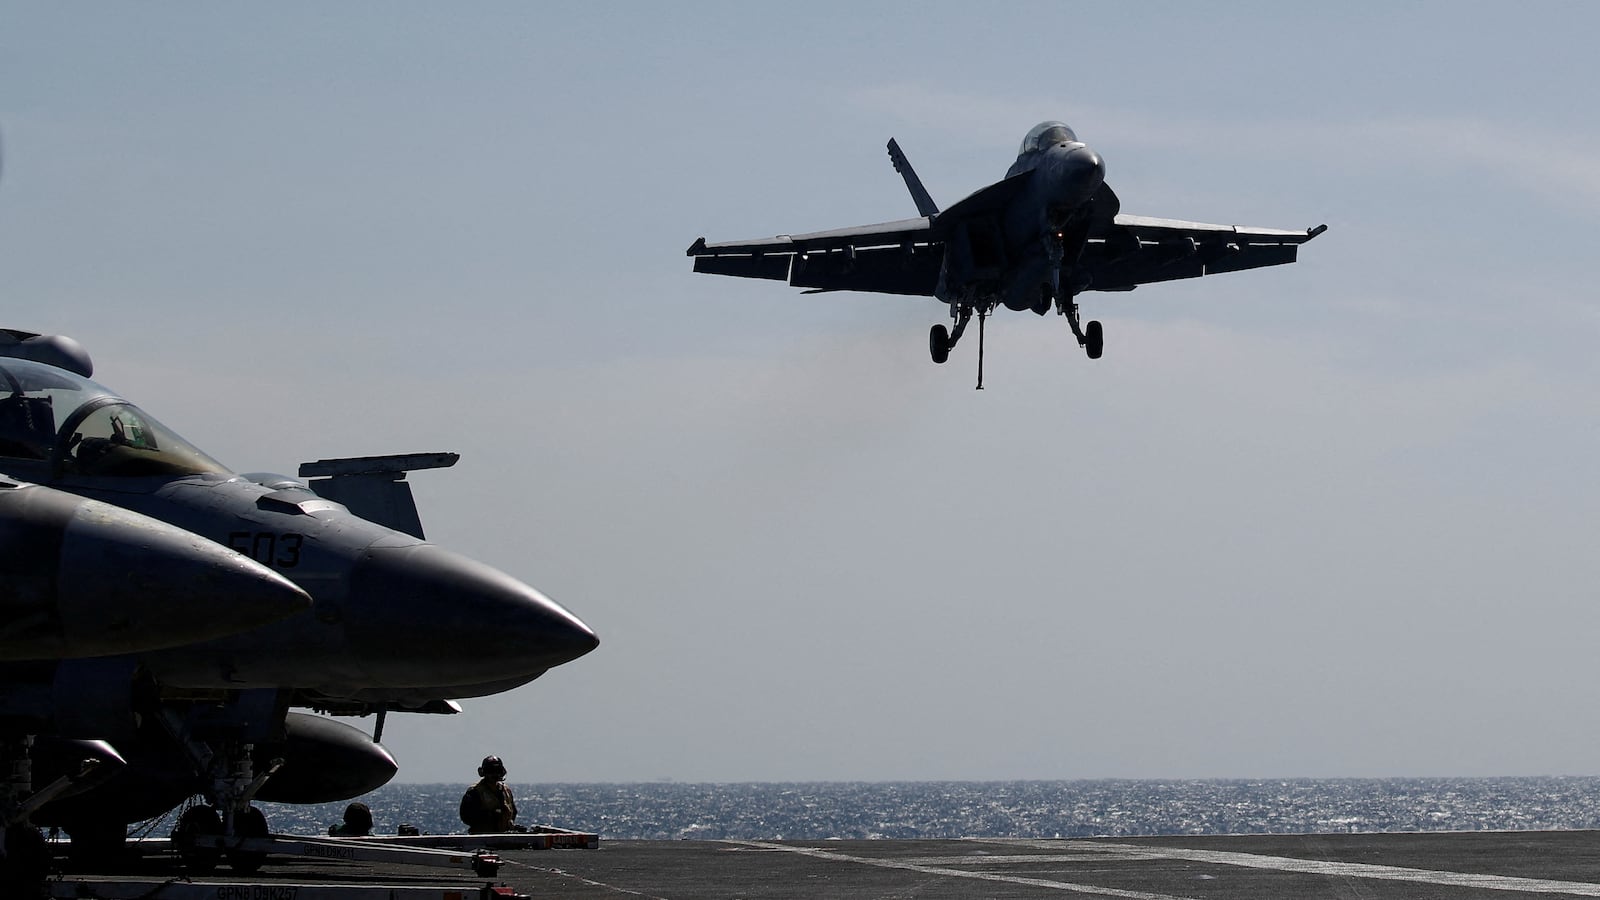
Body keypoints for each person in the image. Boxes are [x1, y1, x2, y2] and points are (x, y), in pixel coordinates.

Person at [459, 755, 518, 834]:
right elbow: (467, 816)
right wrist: (491, 816)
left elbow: (513, 812)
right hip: (482, 837)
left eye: (497, 770)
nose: (494, 774)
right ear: (484, 772)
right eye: (491, 770)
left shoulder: (506, 791)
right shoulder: (475, 792)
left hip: (503, 836)